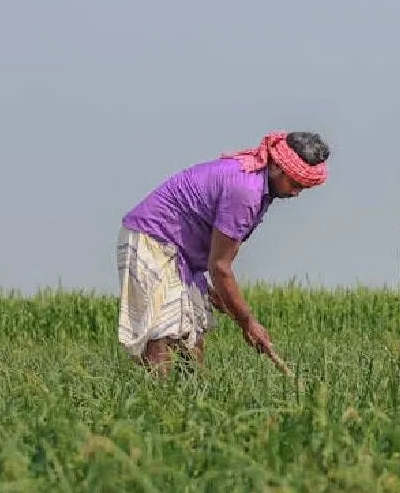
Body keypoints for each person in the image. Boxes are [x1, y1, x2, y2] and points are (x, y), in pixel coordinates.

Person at [116, 131, 330, 377]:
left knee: (191, 332)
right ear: (277, 168)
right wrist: (248, 323)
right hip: (153, 240)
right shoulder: (246, 191)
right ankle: (158, 406)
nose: (296, 193)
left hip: (181, 254)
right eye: (295, 184)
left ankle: (192, 406)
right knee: (163, 331)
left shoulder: (259, 187)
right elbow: (220, 267)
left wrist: (219, 295)